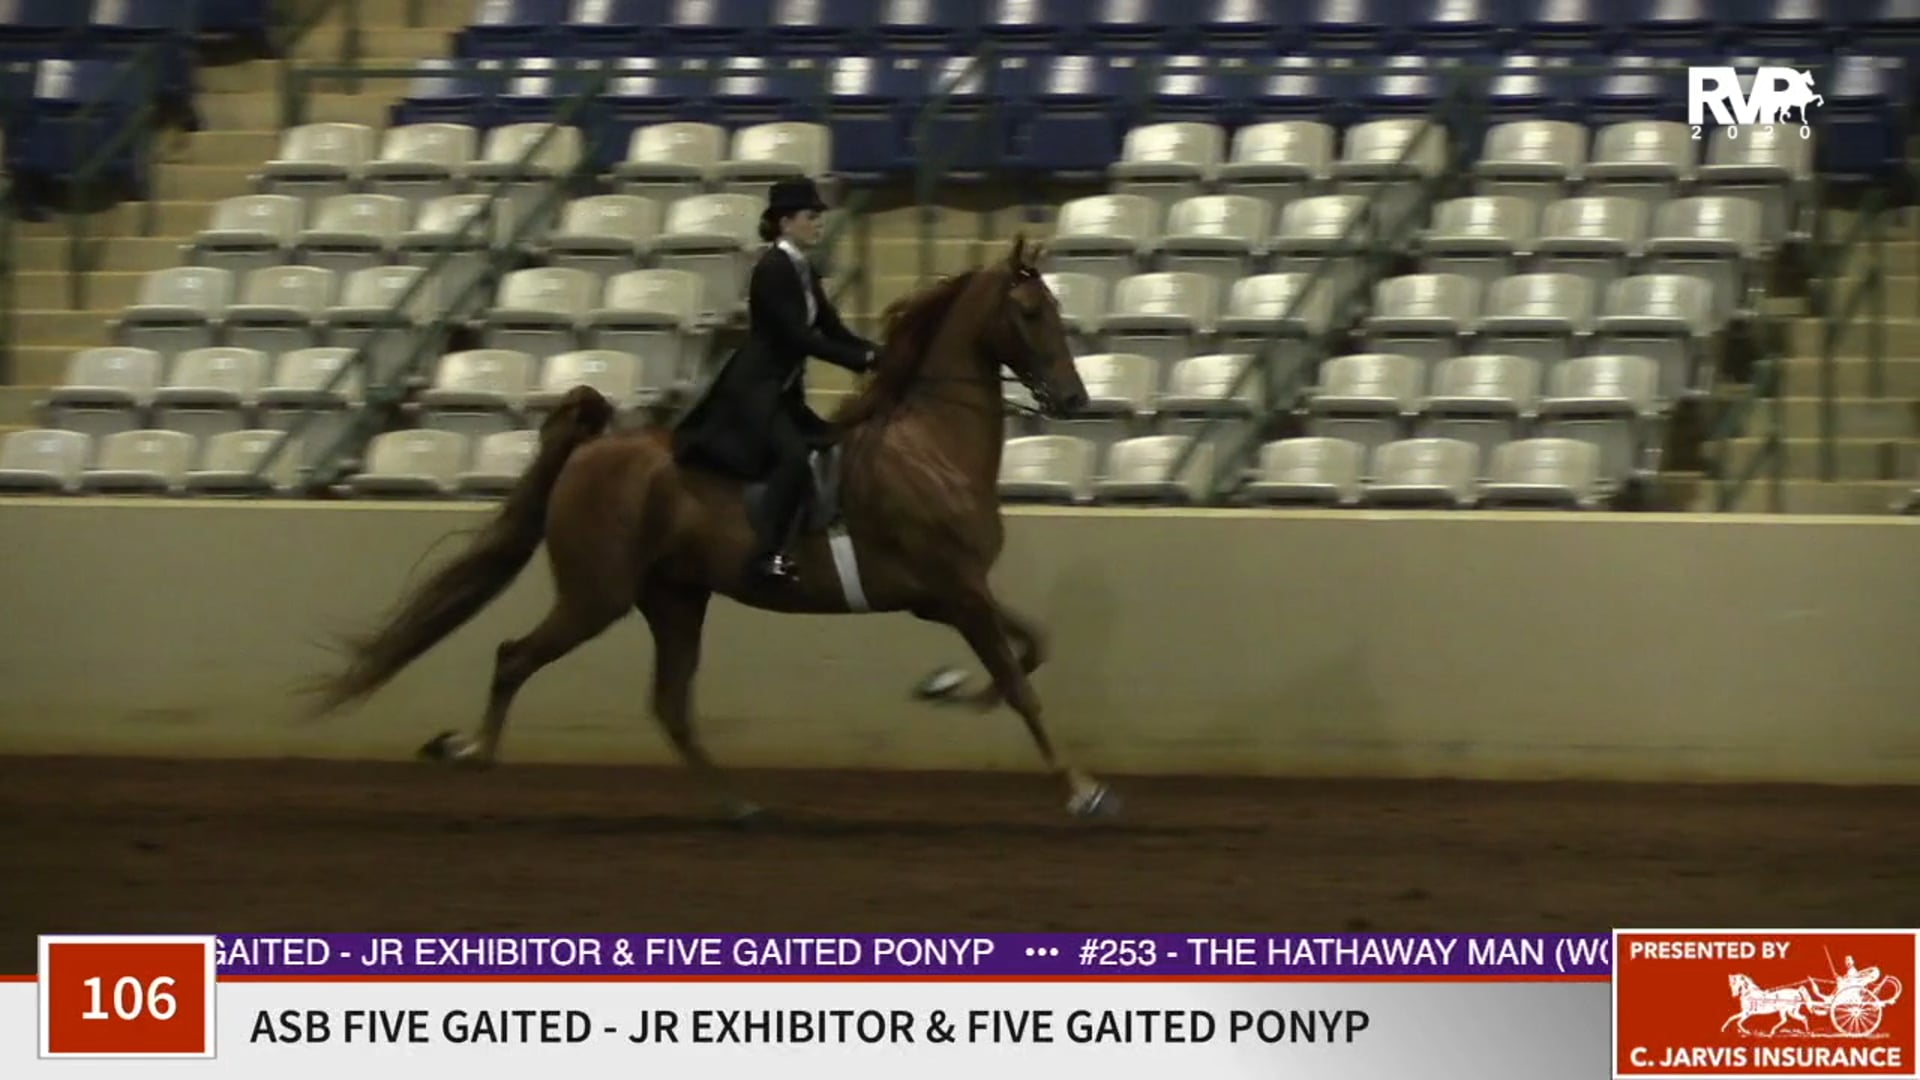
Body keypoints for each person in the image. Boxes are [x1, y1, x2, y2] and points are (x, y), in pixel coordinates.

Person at [670, 177, 880, 586]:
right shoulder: (771, 269)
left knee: (832, 445)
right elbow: (798, 337)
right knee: (792, 459)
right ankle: (766, 555)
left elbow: (832, 328)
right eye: (811, 216)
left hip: (783, 390)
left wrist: (879, 354)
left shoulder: (803, 270)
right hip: (755, 391)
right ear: (785, 223)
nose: (819, 223)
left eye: (820, 216)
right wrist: (860, 359)